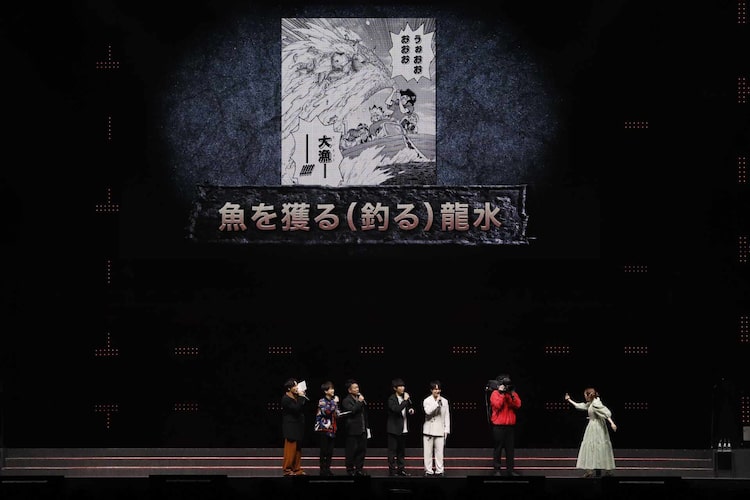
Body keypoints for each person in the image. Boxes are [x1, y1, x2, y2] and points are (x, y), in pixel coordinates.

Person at [565, 388, 617, 477]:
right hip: (592, 426)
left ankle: (608, 470)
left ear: (589, 395)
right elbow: (581, 406)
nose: (584, 397)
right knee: (591, 447)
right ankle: (590, 471)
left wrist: (612, 423)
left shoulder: (596, 403)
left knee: (600, 446)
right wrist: (569, 400)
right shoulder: (591, 403)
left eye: (585, 395)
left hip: (598, 427)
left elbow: (605, 413)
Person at [489, 374, 522, 476]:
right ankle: (497, 470)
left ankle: (510, 470)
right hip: (498, 426)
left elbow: (518, 405)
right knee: (498, 448)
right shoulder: (495, 393)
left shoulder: (511, 393)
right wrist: (502, 394)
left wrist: (510, 394)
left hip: (510, 426)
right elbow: (497, 405)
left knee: (510, 449)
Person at [386, 378, 415, 476]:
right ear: (395, 388)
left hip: (403, 428)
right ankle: (392, 471)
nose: (403, 388)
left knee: (401, 452)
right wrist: (405, 401)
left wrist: (410, 410)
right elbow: (396, 409)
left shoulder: (404, 398)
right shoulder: (391, 399)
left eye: (403, 386)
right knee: (392, 452)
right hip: (393, 429)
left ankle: (401, 470)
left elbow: (406, 408)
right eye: (400, 386)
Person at [340, 378, 369, 476]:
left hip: (362, 429)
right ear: (349, 390)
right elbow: (352, 411)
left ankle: (359, 469)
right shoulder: (346, 400)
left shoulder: (359, 399)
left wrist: (367, 427)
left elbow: (364, 415)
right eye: (355, 388)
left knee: (361, 450)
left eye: (357, 387)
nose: (357, 389)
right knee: (351, 451)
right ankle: (350, 470)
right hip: (352, 430)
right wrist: (359, 402)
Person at [422, 380, 451, 477]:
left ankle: (440, 470)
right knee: (428, 452)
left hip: (440, 430)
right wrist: (436, 402)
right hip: (429, 430)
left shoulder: (445, 401)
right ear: (431, 390)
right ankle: (428, 471)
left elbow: (446, 416)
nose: (437, 391)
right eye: (435, 389)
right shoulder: (427, 400)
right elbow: (428, 412)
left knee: (439, 453)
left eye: (438, 389)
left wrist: (446, 430)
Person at [281, 378, 308, 476]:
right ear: (289, 388)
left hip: (298, 426)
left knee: (298, 450)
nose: (297, 387)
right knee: (290, 450)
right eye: (295, 386)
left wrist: (302, 396)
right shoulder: (286, 398)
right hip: (290, 427)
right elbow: (296, 409)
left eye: (297, 385)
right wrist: (301, 397)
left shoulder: (296, 397)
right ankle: (287, 470)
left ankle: (297, 469)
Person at [315, 381, 340, 476]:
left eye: (333, 388)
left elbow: (336, 413)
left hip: (332, 428)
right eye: (330, 389)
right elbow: (326, 412)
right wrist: (335, 403)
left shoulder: (333, 401)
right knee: (324, 450)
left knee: (330, 451)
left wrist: (339, 413)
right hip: (324, 428)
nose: (333, 390)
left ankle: (328, 469)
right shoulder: (322, 401)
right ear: (326, 391)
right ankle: (322, 469)